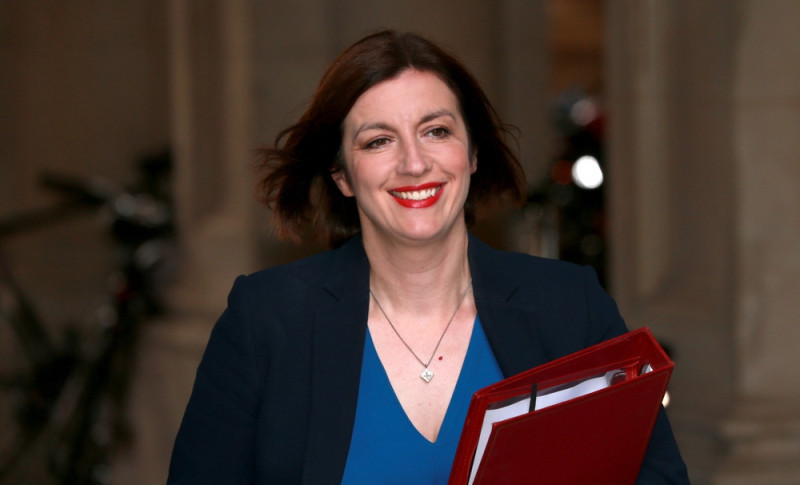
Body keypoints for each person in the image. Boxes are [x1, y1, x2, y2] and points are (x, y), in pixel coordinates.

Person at [168, 30, 689, 484]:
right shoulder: (266, 320)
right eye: (378, 141)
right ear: (343, 176)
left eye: (436, 131)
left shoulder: (569, 305)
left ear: (473, 152)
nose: (414, 163)